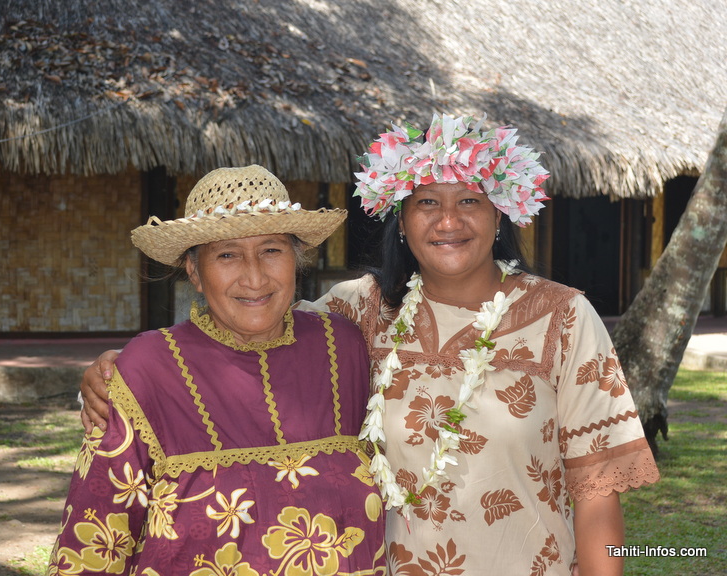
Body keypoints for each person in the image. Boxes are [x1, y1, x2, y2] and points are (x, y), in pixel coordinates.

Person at [80, 115, 660, 575]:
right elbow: (244, 327)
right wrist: (117, 373)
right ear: (400, 219)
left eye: (469, 200)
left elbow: (597, 490)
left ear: (501, 213)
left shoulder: (562, 317)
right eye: (427, 201)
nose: (448, 220)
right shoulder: (356, 312)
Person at [48, 165, 387, 575]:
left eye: (272, 250)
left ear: (297, 259)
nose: (255, 276)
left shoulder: (344, 348)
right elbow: (94, 539)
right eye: (227, 254)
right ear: (193, 270)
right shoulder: (148, 369)